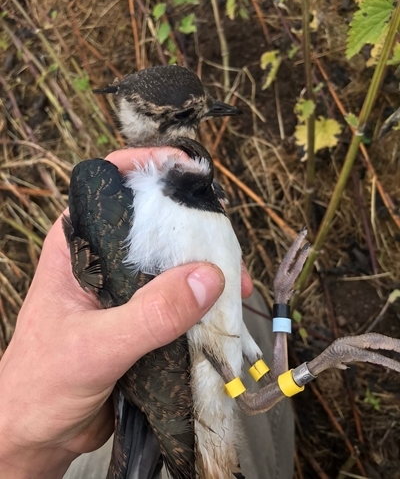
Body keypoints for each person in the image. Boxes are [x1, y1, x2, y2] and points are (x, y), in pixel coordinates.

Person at [0, 148, 294, 479]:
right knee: (251, 329)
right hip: (192, 410)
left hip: (138, 415)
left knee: (247, 335)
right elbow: (254, 396)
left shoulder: (134, 199)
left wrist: (15, 446)